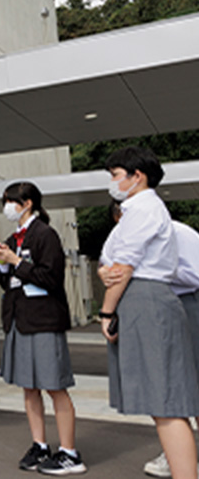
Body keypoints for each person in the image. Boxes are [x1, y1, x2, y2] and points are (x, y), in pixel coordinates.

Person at [99, 146, 199, 479]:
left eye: (115, 175)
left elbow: (123, 267)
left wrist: (105, 313)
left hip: (146, 299)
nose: (112, 182)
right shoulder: (140, 210)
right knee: (164, 402)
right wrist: (107, 273)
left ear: (136, 176)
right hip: (147, 298)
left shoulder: (142, 209)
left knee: (165, 403)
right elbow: (112, 267)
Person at [0, 182, 85, 475]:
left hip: (43, 319)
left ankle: (70, 452)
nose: (7, 207)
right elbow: (9, 282)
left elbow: (51, 277)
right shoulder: (13, 238)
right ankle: (40, 445)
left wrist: (15, 261)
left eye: (11, 201)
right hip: (20, 318)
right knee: (29, 386)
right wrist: (4, 264)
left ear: (27, 203)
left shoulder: (45, 234)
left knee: (54, 385)